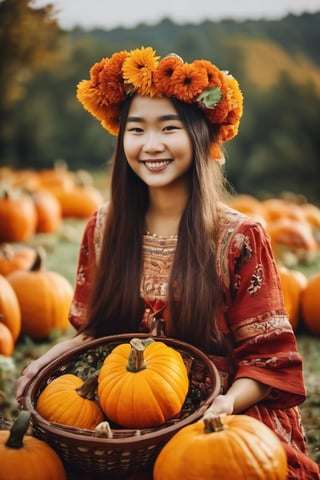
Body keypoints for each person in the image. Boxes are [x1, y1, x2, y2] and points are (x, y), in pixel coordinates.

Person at [17, 46, 319, 479]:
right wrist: (54, 356)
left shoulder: (239, 237)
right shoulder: (103, 227)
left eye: (169, 128)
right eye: (136, 129)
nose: (151, 145)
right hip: (125, 405)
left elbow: (267, 360)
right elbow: (98, 333)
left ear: (199, 137)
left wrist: (224, 405)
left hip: (218, 415)